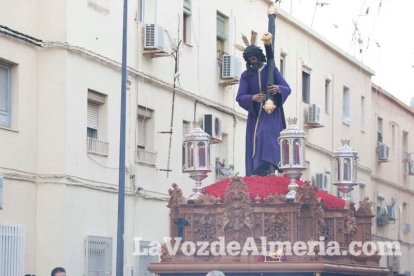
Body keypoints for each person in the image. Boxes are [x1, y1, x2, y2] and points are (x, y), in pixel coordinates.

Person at [236, 44, 291, 176]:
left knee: (264, 132)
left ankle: (270, 165)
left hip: (271, 111)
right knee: (257, 135)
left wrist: (278, 88)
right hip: (255, 114)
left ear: (260, 57)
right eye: (249, 59)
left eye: (254, 58)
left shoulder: (271, 70)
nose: (252, 61)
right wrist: (253, 98)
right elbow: (240, 96)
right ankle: (259, 168)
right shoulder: (246, 75)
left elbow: (287, 88)